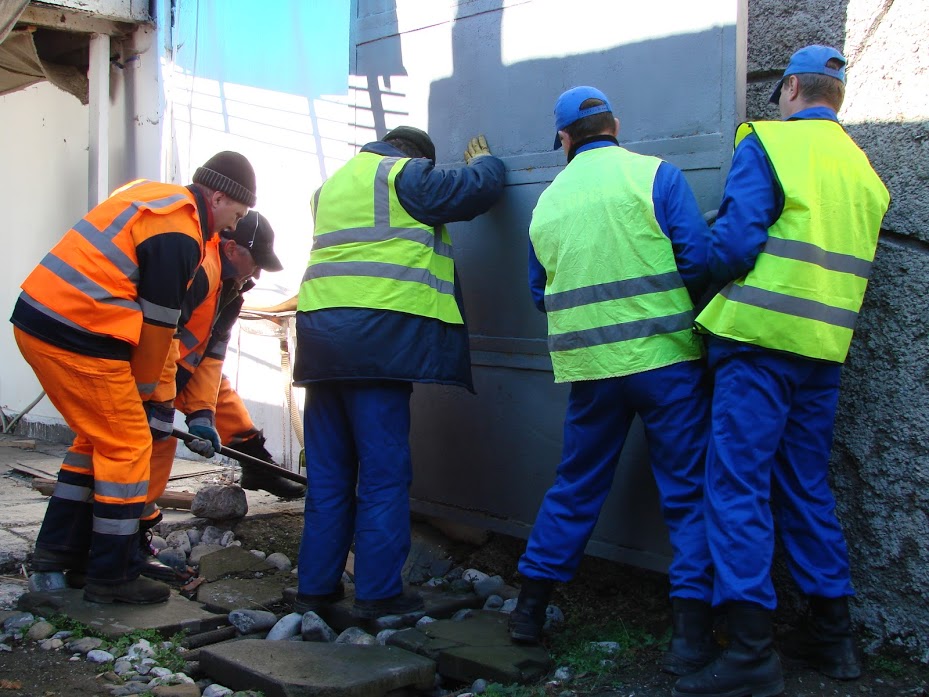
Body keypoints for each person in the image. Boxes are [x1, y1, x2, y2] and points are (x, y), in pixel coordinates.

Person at [673, 46, 890, 697]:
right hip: (821, 352)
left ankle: (748, 652)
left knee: (735, 484)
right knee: (803, 486)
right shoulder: (864, 172)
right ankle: (834, 635)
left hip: (757, 343)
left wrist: (693, 261)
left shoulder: (766, 142)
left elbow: (736, 245)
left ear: (790, 87)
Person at [509, 86, 715, 676]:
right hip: (667, 363)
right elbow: (698, 261)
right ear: (616, 125)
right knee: (686, 493)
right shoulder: (657, 176)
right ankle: (692, 638)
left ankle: (529, 610)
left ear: (564, 140)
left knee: (576, 485)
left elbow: (538, 294)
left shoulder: (546, 203)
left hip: (593, 374)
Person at [13, 151, 258, 604]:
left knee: (97, 441)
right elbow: (158, 332)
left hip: (47, 318)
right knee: (129, 446)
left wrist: (187, 409)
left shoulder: (155, 198)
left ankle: (57, 557)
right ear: (219, 196)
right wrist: (152, 403)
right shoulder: (184, 238)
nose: (231, 225)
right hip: (81, 331)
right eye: (235, 215)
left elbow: (183, 347)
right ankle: (111, 575)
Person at [293, 126, 505, 619]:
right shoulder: (402, 176)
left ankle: (316, 590)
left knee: (328, 475)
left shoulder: (330, 188)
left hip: (320, 342)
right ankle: (378, 594)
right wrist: (487, 163)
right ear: (416, 157)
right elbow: (477, 192)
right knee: (384, 474)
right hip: (375, 342)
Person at [137, 210, 302, 581]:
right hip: (155, 365)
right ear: (231, 248)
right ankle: (134, 533)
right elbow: (162, 334)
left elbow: (213, 354)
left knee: (223, 400)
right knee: (155, 445)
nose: (257, 274)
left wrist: (201, 414)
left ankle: (258, 466)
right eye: (255, 262)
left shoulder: (232, 287)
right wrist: (162, 400)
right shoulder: (200, 268)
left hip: (186, 365)